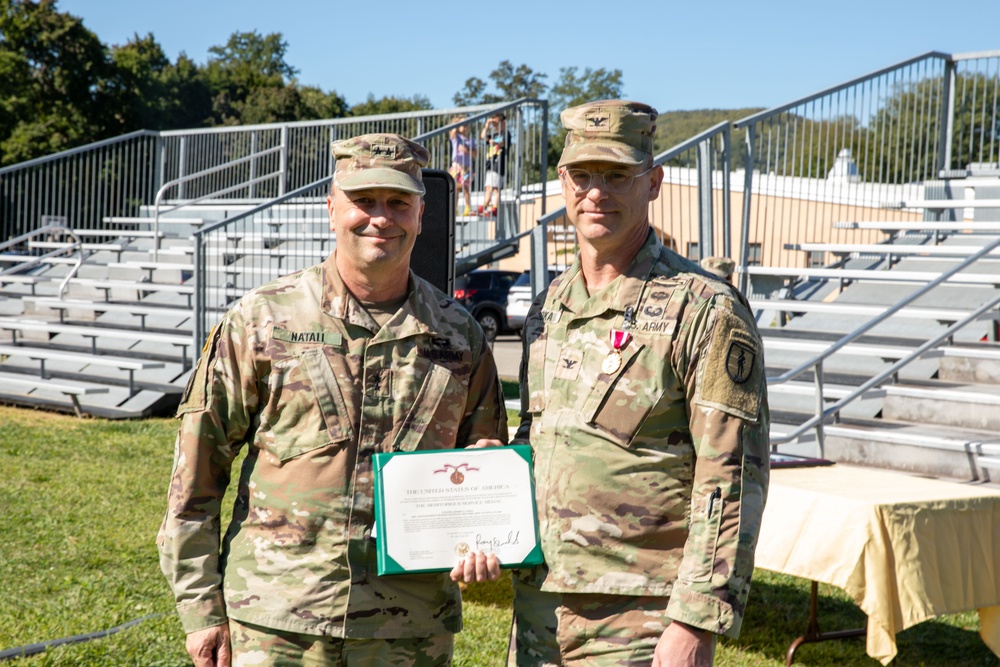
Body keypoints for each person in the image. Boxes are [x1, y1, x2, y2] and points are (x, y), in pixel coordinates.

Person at [157, 133, 508, 667]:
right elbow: (196, 476)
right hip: (277, 621)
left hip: (408, 629)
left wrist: (483, 535)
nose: (380, 218)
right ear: (331, 206)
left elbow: (485, 458)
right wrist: (201, 608)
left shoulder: (461, 337)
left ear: (420, 213)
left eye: (397, 202)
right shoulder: (261, 320)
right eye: (363, 201)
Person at [509, 100, 770, 667]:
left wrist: (696, 619)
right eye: (582, 175)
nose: (596, 192)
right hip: (539, 612)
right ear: (562, 182)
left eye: (617, 175)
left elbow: (732, 473)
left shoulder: (704, 308)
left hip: (641, 623)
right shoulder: (551, 305)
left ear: (652, 182)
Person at [479, 112, 509, 217]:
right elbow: (482, 136)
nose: (495, 127)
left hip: (498, 165)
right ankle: (485, 206)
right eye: (494, 125)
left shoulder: (506, 133)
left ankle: (493, 208)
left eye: (497, 124)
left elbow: (502, 143)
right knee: (488, 187)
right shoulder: (493, 135)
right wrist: (487, 124)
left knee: (495, 188)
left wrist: (493, 142)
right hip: (490, 165)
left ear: (503, 123)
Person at [448, 116, 476, 217]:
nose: (464, 127)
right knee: (455, 189)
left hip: (466, 167)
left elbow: (475, 154)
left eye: (466, 125)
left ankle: (468, 207)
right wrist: (458, 123)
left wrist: (466, 150)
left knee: (466, 188)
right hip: (456, 167)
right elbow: (452, 132)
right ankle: (454, 209)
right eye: (462, 125)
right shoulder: (456, 138)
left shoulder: (471, 140)